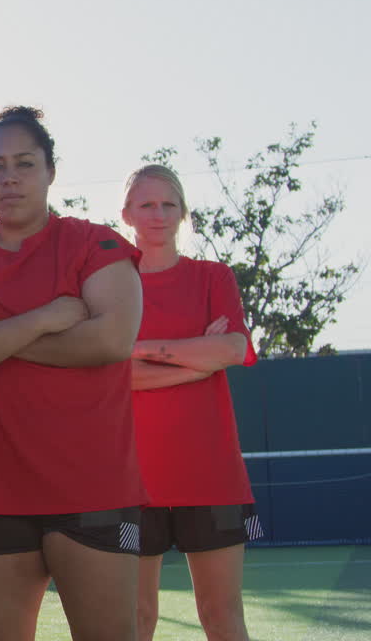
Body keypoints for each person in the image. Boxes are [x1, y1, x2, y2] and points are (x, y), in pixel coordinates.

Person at [0, 107, 146, 641]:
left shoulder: (96, 244)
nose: (10, 177)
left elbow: (111, 340)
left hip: (93, 485)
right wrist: (43, 319)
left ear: (50, 171)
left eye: (24, 163)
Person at [122, 164, 259, 641]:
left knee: (221, 618)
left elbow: (233, 349)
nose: (158, 214)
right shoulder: (112, 286)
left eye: (168, 204)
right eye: (146, 204)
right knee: (135, 620)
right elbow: (115, 379)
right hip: (131, 484)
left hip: (212, 477)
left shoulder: (212, 277)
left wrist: (140, 349)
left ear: (183, 213)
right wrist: (196, 358)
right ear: (127, 214)